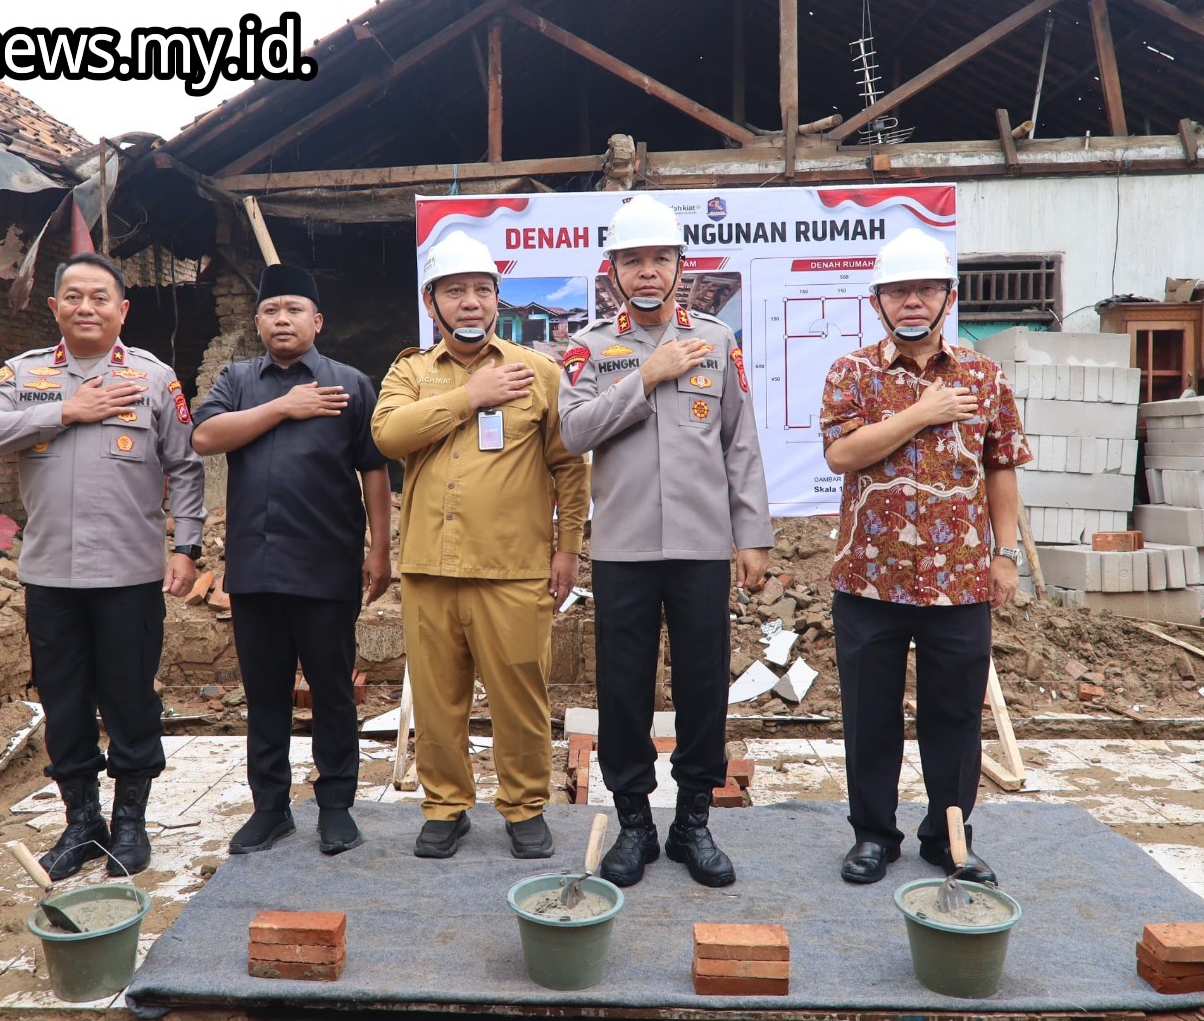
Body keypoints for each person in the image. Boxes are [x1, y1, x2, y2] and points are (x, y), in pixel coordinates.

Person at [0, 252, 205, 880]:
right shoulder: (25, 374)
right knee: (65, 703)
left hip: (129, 576)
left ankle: (130, 824)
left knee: (129, 700)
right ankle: (82, 823)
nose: (86, 307)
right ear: (55, 307)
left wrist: (188, 546)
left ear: (122, 310)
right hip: (49, 576)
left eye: (100, 297)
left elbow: (184, 467)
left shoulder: (154, 379)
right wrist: (66, 412)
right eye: (73, 296)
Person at [558, 195, 772, 889]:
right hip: (623, 549)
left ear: (682, 266)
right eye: (632, 261)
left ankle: (693, 822)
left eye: (659, 259)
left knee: (704, 685)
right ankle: (633, 824)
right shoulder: (590, 349)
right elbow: (573, 432)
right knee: (623, 689)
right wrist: (646, 379)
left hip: (704, 546)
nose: (647, 272)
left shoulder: (715, 339)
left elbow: (740, 444)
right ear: (612, 270)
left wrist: (753, 535)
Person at [819, 227, 1031, 887]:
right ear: (878, 300)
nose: (912, 301)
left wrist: (1005, 555)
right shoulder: (852, 374)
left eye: (925, 289)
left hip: (960, 580)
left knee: (955, 717)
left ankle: (948, 838)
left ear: (948, 297)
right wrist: (923, 412)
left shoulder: (984, 377)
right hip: (868, 580)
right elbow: (841, 455)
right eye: (898, 291)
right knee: (870, 716)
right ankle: (873, 836)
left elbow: (1002, 470)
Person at [371, 231, 590, 860]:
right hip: (429, 567)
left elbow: (570, 466)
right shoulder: (410, 371)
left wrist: (567, 546)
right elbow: (389, 436)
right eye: (455, 290)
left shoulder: (539, 372)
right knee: (438, 698)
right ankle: (445, 807)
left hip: (515, 568)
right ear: (432, 300)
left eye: (482, 290)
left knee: (521, 694)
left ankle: (525, 807)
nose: (471, 302)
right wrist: (471, 397)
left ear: (498, 299)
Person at [191, 264, 391, 857]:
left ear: (317, 320)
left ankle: (336, 805)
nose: (283, 319)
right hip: (254, 568)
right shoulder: (237, 380)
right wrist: (285, 407)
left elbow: (374, 470)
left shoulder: (350, 383)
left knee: (332, 690)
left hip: (327, 566)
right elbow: (205, 438)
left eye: (294, 309)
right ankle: (270, 809)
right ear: (256, 322)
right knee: (267, 694)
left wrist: (380, 548)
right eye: (272, 309)